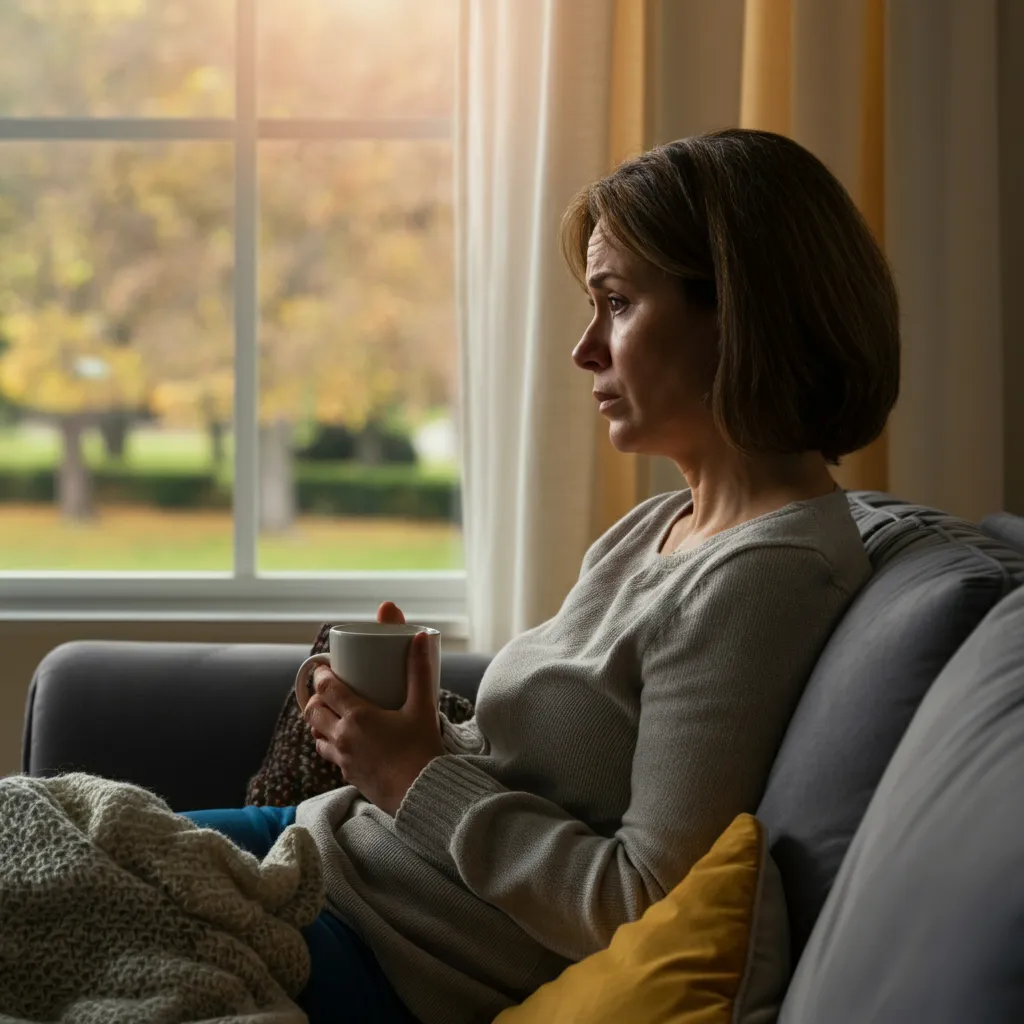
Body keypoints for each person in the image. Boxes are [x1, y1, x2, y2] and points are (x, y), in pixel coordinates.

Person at [184, 128, 900, 1024]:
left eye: (617, 304)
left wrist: (410, 776)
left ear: (740, 314)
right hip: (326, 859)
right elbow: (534, 780)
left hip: (381, 949)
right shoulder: (662, 525)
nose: (584, 349)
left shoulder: (765, 581)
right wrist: (398, 741)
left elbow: (637, 903)